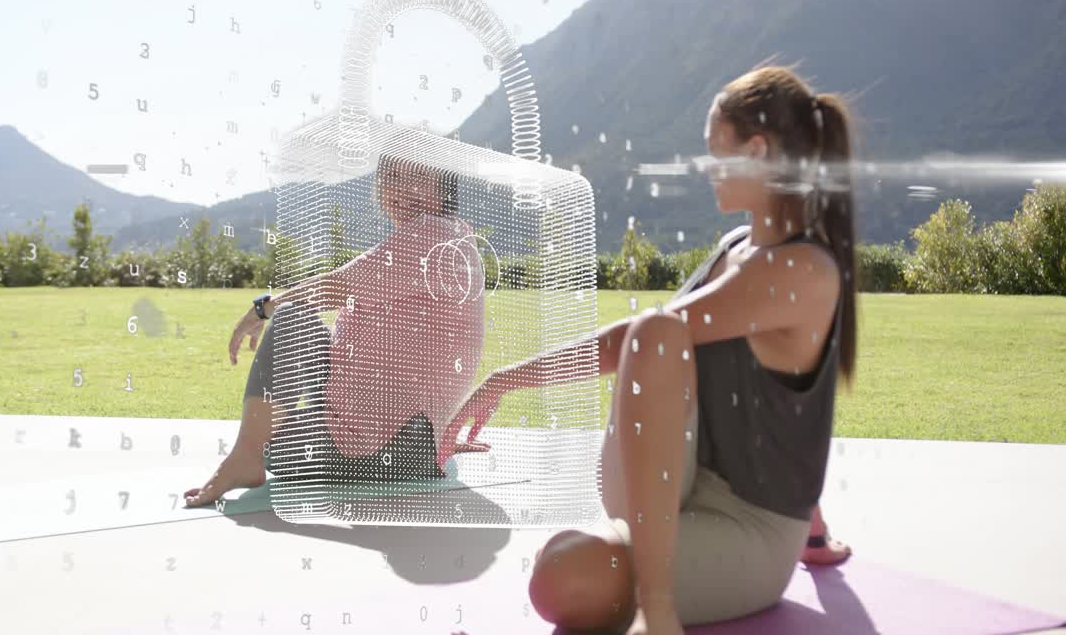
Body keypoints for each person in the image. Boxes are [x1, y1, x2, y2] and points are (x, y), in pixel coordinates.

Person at [456, 65, 859, 634]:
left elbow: (796, 424)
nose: (707, 168)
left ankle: (657, 610)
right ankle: (653, 593)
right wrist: (502, 379)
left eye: (716, 151)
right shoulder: (734, 247)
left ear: (758, 151)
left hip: (749, 531)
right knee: (658, 334)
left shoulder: (804, 270)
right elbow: (645, 353)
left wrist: (806, 529)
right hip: (668, 498)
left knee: (558, 578)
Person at [184, 155, 487, 507]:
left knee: (268, 426)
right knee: (296, 321)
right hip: (395, 431)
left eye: (418, 177)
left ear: (444, 188)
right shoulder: (443, 236)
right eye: (391, 177)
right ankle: (254, 451)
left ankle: (245, 458)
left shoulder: (434, 235)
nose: (402, 189)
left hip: (381, 444)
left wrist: (260, 309)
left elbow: (336, 287)